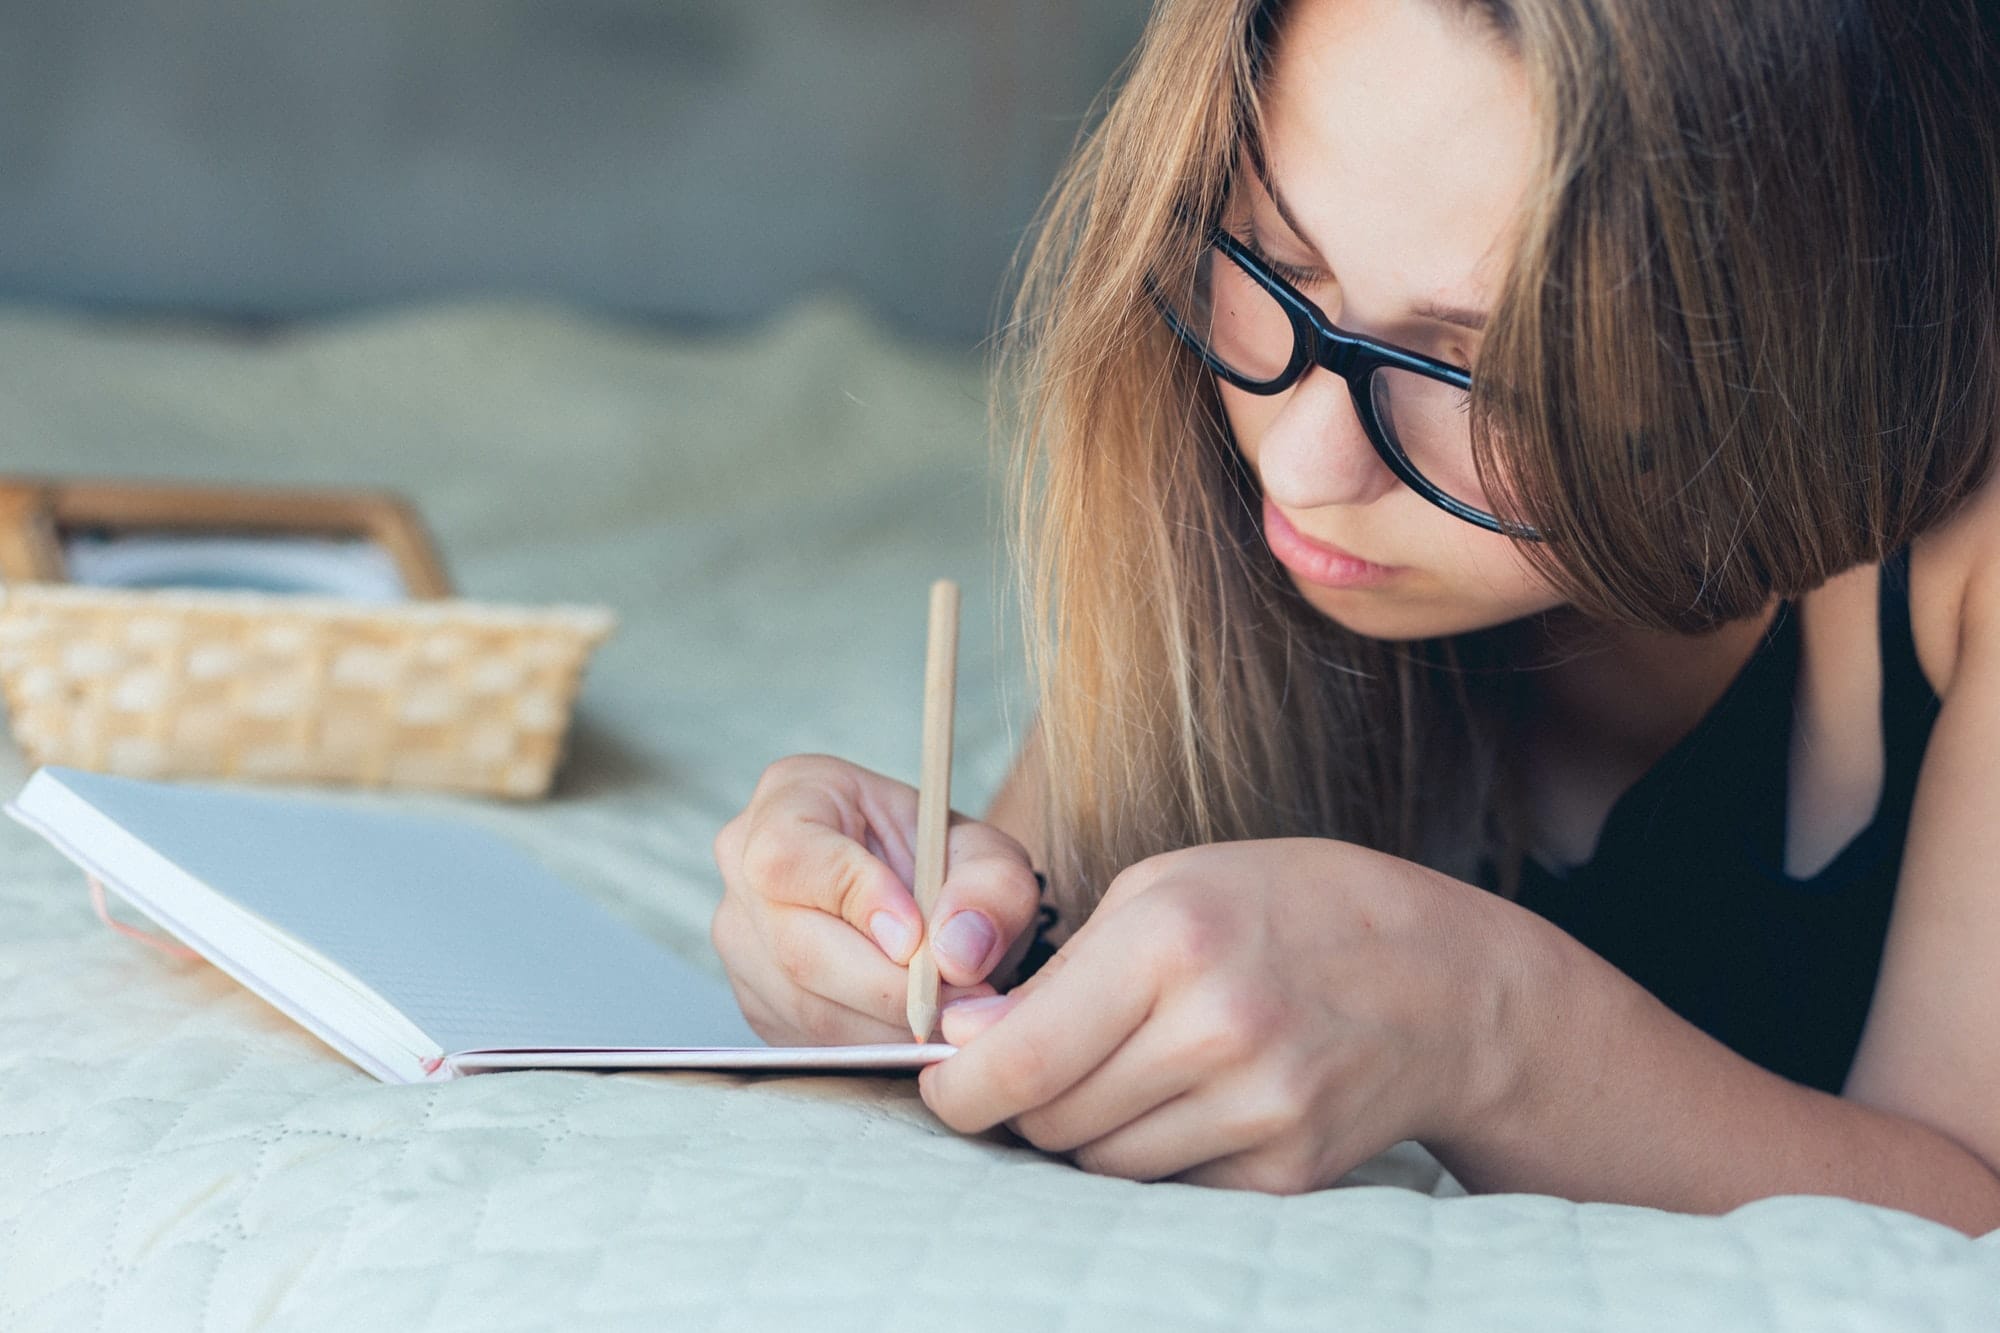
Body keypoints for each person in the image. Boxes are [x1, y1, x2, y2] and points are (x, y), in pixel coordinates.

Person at [710, 0, 2000, 1235]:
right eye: (1274, 263)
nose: (1305, 468)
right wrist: (890, 954)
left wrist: (1478, 1021)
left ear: (1791, 341)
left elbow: (1971, 1216)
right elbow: (1020, 939)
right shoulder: (1221, 429)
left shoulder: (1966, 560)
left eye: (1479, 372)